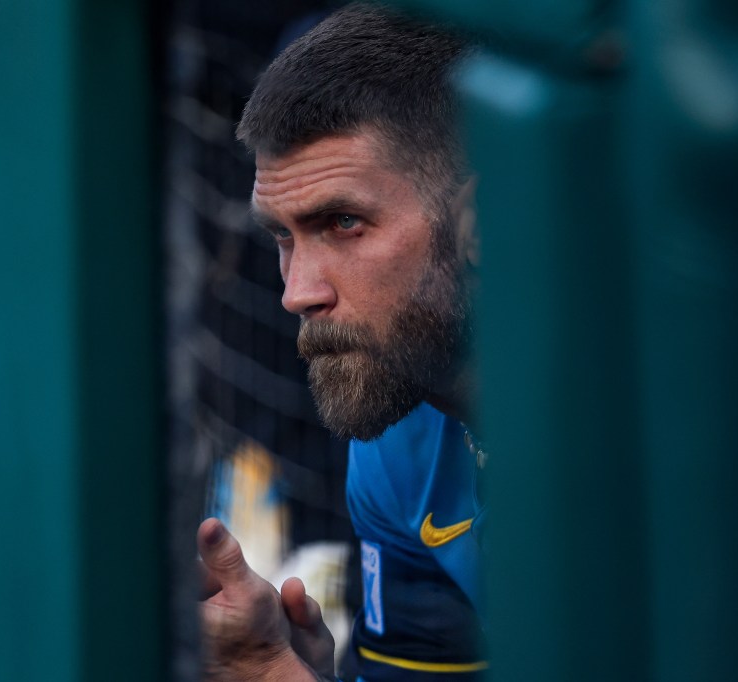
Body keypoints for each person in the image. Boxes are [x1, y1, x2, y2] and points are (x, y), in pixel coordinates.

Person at [197, 4, 486, 679]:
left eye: (344, 222)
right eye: (282, 237)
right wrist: (277, 672)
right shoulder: (394, 439)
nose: (297, 293)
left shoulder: (660, 427)